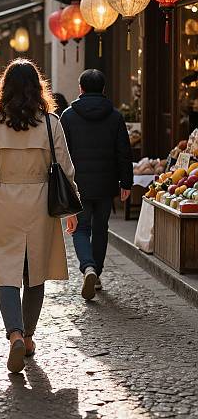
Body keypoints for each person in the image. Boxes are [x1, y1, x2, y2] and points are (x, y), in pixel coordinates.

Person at [0, 58, 78, 373]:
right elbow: (66, 169)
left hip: (3, 201)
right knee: (36, 272)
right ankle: (29, 336)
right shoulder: (51, 123)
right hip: (42, 203)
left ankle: (14, 334)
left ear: (4, 88)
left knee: (6, 272)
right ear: (37, 88)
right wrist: (71, 209)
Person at [60, 69, 133, 300]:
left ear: (80, 88)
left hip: (78, 184)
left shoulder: (68, 116)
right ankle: (97, 274)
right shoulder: (115, 116)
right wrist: (126, 182)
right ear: (103, 89)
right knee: (101, 228)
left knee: (81, 229)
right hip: (105, 183)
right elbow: (124, 152)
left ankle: (88, 267)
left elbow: (61, 154)